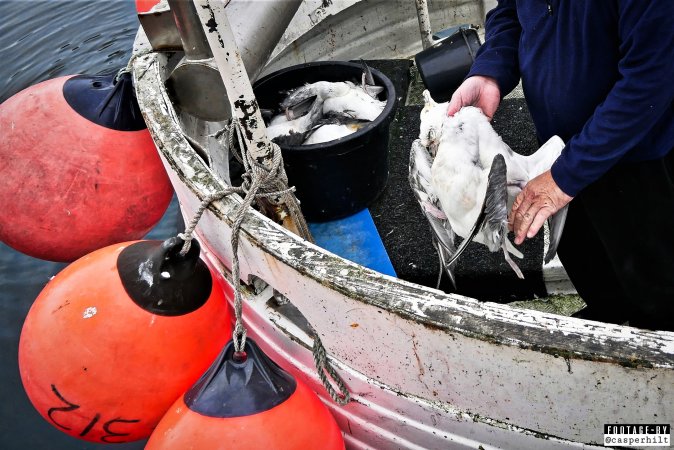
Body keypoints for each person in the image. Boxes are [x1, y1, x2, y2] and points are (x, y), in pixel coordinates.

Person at [446, 0, 674, 331]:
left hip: (639, 163)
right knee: (588, 263)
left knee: (658, 285)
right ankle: (610, 315)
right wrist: (490, 71)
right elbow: (511, 12)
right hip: (557, 150)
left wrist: (564, 178)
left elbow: (650, 81)